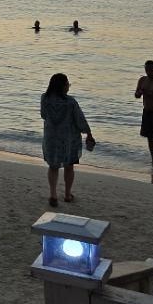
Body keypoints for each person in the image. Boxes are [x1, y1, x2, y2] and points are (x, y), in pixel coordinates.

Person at [40, 73, 96, 207]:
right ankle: (67, 194)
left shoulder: (45, 98)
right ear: (63, 86)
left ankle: (53, 195)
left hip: (51, 138)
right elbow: (80, 120)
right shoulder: (70, 102)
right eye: (67, 84)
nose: (68, 87)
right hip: (68, 139)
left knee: (53, 166)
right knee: (69, 166)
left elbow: (43, 115)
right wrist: (88, 133)